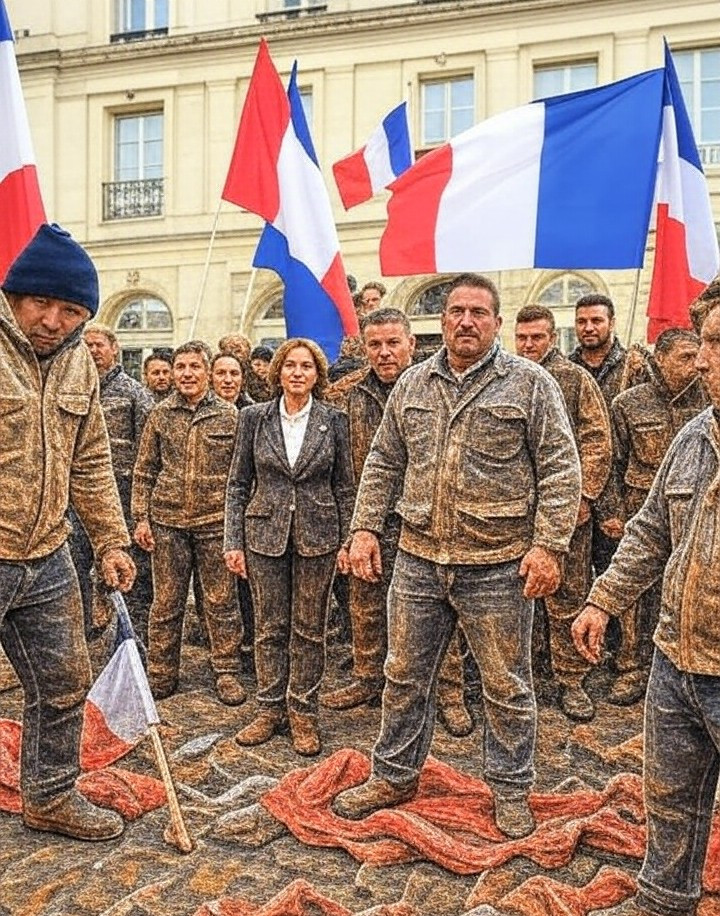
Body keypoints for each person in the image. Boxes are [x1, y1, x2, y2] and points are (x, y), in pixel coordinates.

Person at [332, 273, 581, 839]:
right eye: (455, 312)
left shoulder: (531, 384)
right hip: (419, 560)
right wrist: (366, 528)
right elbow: (384, 463)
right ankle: (394, 776)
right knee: (403, 676)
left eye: (478, 312)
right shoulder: (413, 384)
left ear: (496, 321)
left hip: (497, 564)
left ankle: (511, 790)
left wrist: (549, 545)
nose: (466, 321)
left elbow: (562, 469)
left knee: (507, 685)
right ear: (441, 322)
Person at [572, 301, 720, 916]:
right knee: (669, 800)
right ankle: (662, 900)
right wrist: (602, 601)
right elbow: (651, 533)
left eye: (715, 343)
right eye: (704, 343)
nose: (704, 359)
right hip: (675, 661)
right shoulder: (695, 436)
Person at [0, 223, 135, 841]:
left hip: (48, 553)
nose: (53, 320)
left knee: (63, 683)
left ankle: (50, 797)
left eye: (71, 309)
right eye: (41, 303)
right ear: (14, 295)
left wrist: (111, 539)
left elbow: (91, 461)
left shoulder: (80, 360)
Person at [321, 307, 473, 737]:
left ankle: (449, 693)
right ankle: (368, 679)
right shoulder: (343, 395)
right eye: (375, 344)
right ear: (364, 347)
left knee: (441, 613)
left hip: (426, 521)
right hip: (367, 519)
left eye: (393, 343)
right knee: (365, 607)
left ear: (411, 343)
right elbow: (338, 468)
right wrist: (351, 529)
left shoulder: (437, 388)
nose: (384, 353)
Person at [225, 338, 354, 757]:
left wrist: (347, 541)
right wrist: (234, 542)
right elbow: (238, 484)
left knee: (309, 630)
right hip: (263, 535)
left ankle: (302, 712)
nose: (298, 373)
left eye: (307, 367)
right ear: (277, 372)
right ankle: (269, 709)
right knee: (268, 628)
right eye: (290, 366)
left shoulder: (333, 420)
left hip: (319, 537)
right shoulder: (252, 418)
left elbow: (344, 487)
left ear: (318, 375)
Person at [132, 341, 245, 706]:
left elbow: (242, 477)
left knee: (220, 602)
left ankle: (226, 671)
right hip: (168, 523)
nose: (186, 374)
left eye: (194, 366)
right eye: (180, 367)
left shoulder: (230, 416)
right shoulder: (160, 415)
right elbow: (145, 469)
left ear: (207, 371)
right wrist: (141, 518)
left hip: (214, 523)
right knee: (166, 603)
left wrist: (236, 528)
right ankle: (161, 673)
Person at [514, 305, 612, 721]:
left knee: (567, 596)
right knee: (517, 596)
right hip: (517, 512)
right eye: (522, 338)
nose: (529, 344)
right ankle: (528, 674)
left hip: (566, 513)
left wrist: (582, 497)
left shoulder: (575, 380)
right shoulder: (508, 378)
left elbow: (596, 442)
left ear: (552, 338)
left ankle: (570, 680)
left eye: (536, 337)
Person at [602, 328, 707, 706]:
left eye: (698, 355)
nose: (696, 364)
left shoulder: (710, 401)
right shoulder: (629, 404)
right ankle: (631, 668)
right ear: (659, 359)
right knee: (633, 596)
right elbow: (611, 463)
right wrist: (611, 511)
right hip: (638, 510)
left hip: (696, 517)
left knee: (681, 590)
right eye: (683, 357)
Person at [82, 324, 156, 647]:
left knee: (130, 578)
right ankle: (86, 634)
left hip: (123, 500)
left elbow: (149, 454)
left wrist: (141, 509)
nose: (93, 351)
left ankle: (130, 645)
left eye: (99, 344)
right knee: (78, 571)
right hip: (80, 501)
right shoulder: (78, 388)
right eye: (87, 345)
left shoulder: (134, 393)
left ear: (115, 349)